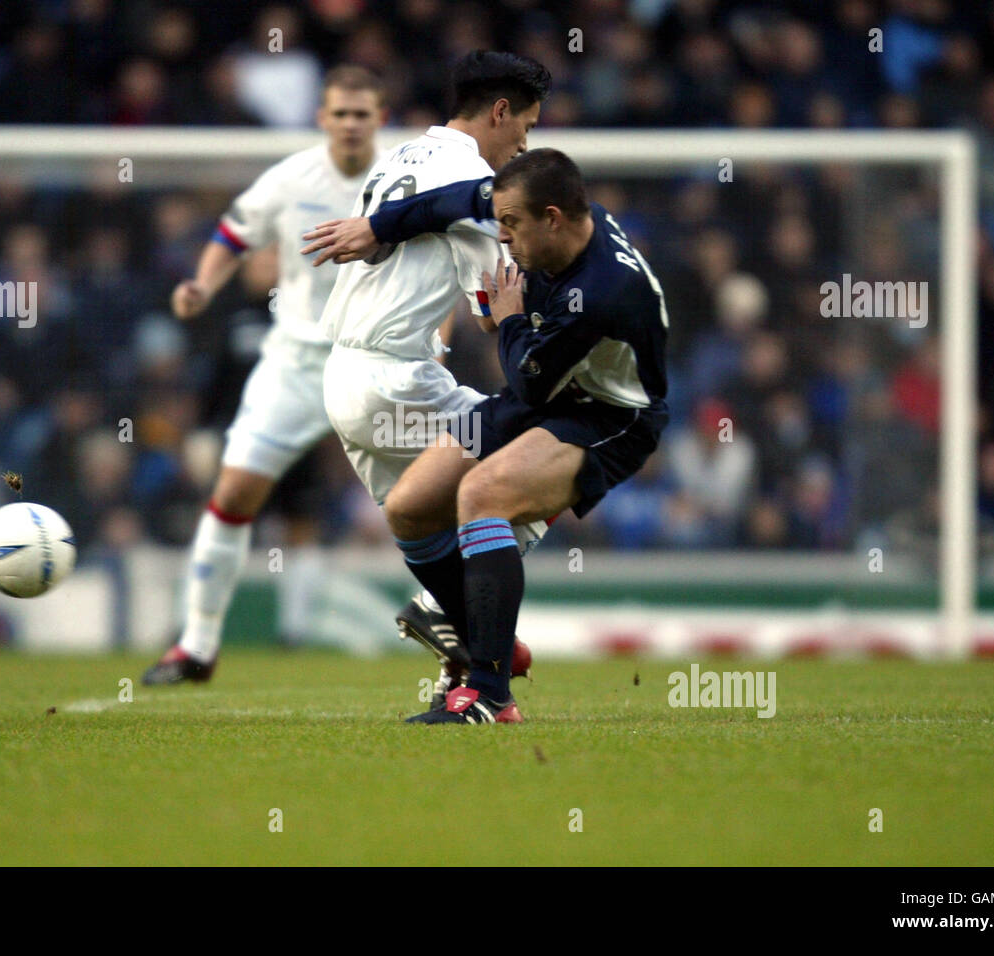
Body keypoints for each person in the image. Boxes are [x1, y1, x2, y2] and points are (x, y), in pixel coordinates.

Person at [306, 148, 671, 723]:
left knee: (482, 497)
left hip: (605, 416)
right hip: (548, 391)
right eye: (498, 221)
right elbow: (451, 203)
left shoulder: (604, 290)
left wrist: (509, 318)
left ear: (552, 217)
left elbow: (527, 380)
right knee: (408, 509)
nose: (500, 238)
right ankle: (477, 634)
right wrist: (375, 226)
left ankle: (489, 691)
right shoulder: (551, 211)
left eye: (511, 225)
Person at [305, 51, 551, 710]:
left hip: (345, 380)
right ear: (499, 112)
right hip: (398, 381)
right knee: (555, 446)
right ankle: (452, 622)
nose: (525, 142)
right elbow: (491, 300)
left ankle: (467, 680)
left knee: (429, 524)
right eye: (525, 125)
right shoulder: (474, 178)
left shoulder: (400, 157)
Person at [143, 66, 394, 684]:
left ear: (380, 118)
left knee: (441, 498)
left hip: (383, 361)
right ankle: (196, 647)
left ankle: (472, 651)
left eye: (362, 113)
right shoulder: (290, 178)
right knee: (232, 497)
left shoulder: (407, 179)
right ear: (322, 119)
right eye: (341, 113)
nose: (351, 124)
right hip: (298, 363)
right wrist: (203, 282)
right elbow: (232, 234)